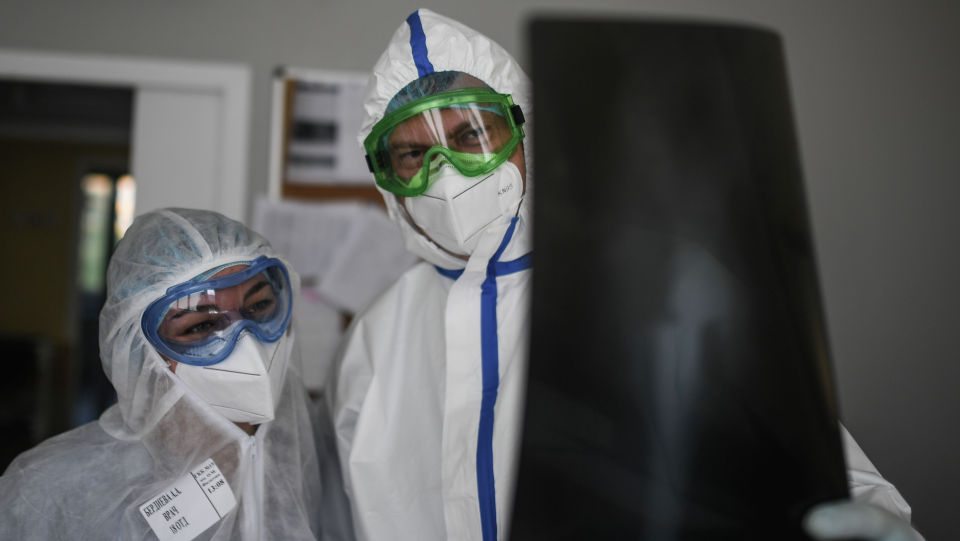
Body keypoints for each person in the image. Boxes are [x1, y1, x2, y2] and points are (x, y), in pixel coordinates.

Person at [330, 8, 924, 541]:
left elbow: (820, 477)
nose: (445, 173)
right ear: (388, 179)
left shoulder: (663, 287)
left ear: (527, 129)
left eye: (471, 136)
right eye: (412, 155)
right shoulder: (375, 341)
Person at [0, 208, 331, 540]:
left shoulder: (306, 454)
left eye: (261, 305)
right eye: (201, 326)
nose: (247, 345)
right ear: (141, 354)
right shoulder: (54, 493)